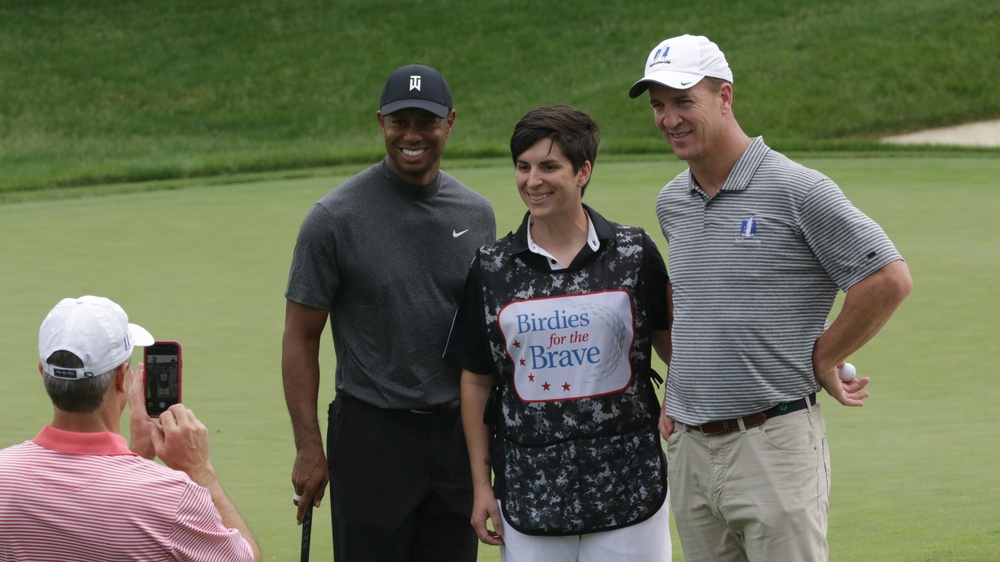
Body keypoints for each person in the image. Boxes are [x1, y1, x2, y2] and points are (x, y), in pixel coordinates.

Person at [628, 34, 913, 561]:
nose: (669, 119)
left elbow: (887, 277)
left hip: (773, 443)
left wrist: (824, 356)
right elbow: (692, 298)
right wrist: (680, 385)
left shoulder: (796, 188)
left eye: (683, 101)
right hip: (689, 450)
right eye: (659, 106)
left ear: (725, 97)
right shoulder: (673, 201)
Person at [282, 63, 496, 561]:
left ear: (451, 122)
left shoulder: (476, 214)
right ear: (382, 122)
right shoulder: (333, 219)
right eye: (401, 122)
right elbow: (300, 336)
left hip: (454, 436)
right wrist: (309, 446)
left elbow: (483, 338)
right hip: (371, 435)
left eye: (427, 121)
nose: (413, 135)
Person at [444, 104, 672, 562]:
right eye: (523, 167)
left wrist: (678, 405)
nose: (533, 180)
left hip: (630, 488)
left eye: (549, 166)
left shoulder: (633, 252)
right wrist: (480, 486)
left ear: (583, 171)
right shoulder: (491, 268)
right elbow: (476, 380)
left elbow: (677, 350)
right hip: (531, 493)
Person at [0, 295, 261, 561]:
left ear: (43, 371)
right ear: (121, 379)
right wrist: (199, 471)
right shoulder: (171, 496)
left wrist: (136, 458)